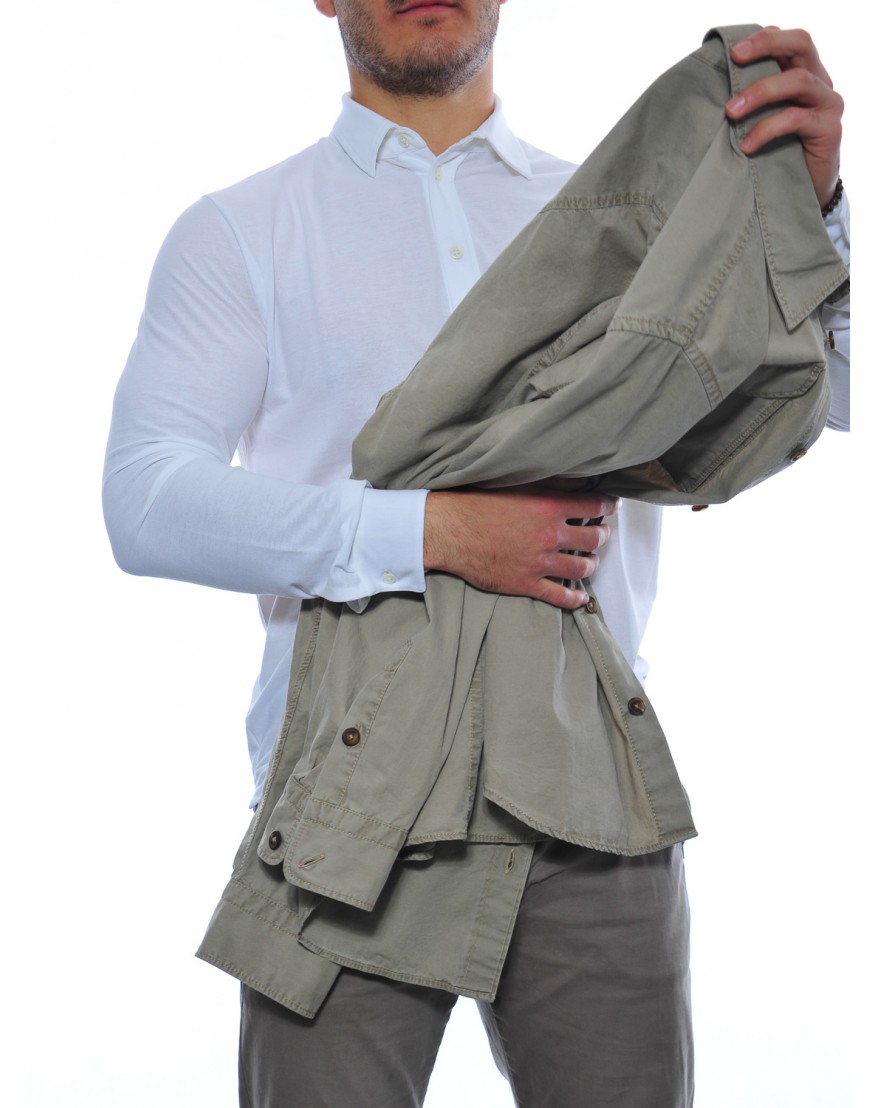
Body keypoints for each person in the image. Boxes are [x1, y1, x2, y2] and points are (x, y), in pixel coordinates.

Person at [103, 2, 850, 1104]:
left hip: (587, 787)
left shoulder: (636, 220)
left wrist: (810, 209)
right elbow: (146, 501)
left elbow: (800, 410)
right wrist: (433, 533)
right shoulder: (246, 229)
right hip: (351, 798)